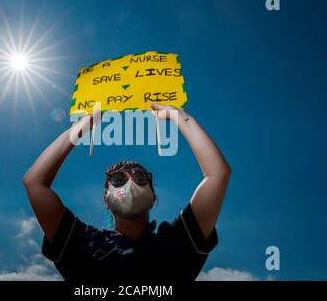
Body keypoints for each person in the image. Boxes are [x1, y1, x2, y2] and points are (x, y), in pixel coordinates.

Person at [23, 104, 231, 282]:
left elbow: (217, 174)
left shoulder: (176, 242)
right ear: (106, 198)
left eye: (141, 179)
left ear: (152, 198)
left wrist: (179, 116)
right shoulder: (81, 241)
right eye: (119, 180)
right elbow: (34, 183)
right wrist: (82, 126)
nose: (131, 183)